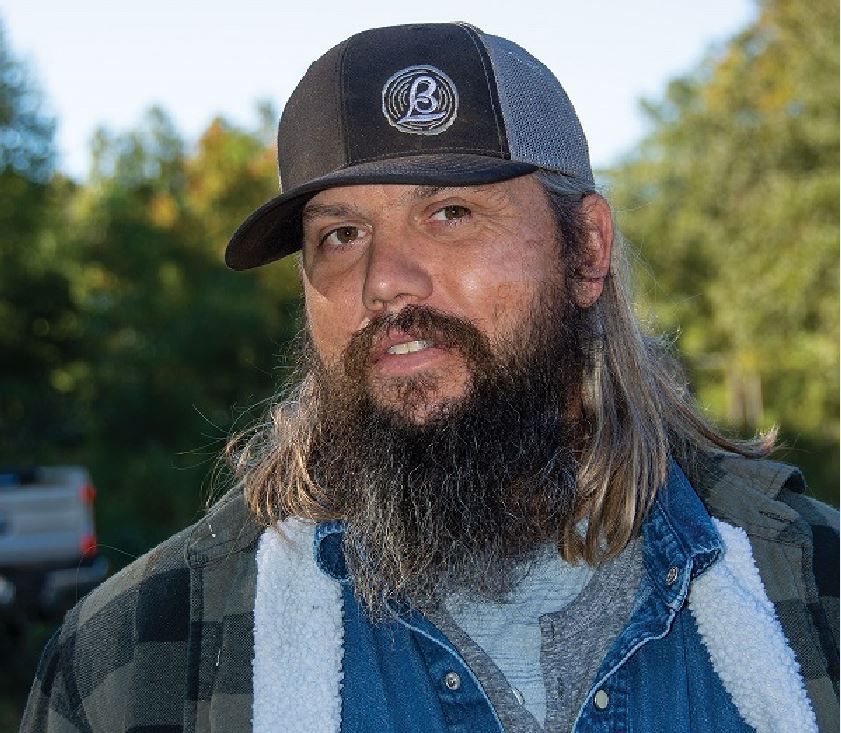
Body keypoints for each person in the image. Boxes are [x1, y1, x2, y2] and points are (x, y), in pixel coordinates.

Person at [21, 22, 838, 733]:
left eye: (450, 213)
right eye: (339, 235)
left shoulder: (812, 594)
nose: (385, 281)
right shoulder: (143, 659)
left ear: (585, 249)